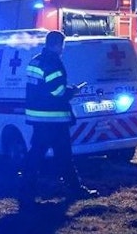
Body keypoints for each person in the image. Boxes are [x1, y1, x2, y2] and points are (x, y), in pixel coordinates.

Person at [20, 31, 97, 199]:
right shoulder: (53, 63)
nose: (63, 49)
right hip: (54, 118)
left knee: (37, 153)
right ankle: (75, 189)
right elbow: (58, 91)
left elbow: (38, 88)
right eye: (62, 45)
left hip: (37, 117)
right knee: (63, 155)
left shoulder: (36, 60)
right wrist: (73, 90)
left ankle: (27, 188)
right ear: (57, 45)